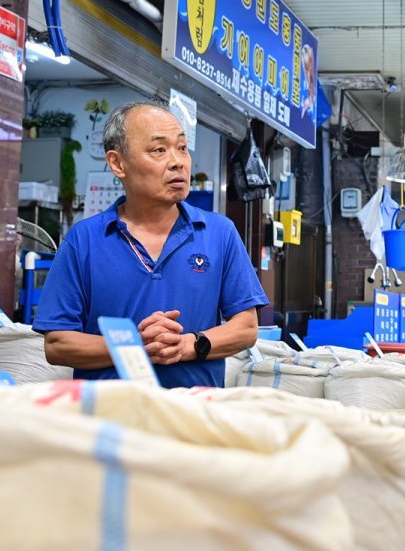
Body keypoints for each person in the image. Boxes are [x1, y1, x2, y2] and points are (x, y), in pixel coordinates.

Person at [35, 101, 267, 387]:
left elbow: (245, 327)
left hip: (193, 418)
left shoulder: (220, 233)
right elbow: (57, 343)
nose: (178, 161)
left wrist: (187, 346)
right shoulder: (83, 241)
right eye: (159, 150)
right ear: (118, 163)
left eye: (182, 148)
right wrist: (134, 347)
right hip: (109, 418)